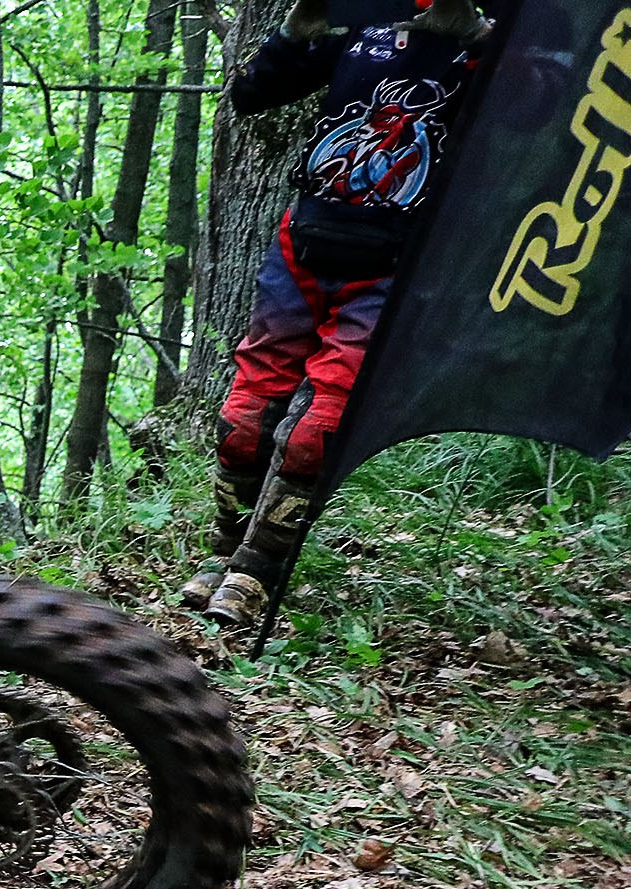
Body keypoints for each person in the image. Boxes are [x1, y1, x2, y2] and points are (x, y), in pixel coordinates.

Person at [185, 0, 497, 630]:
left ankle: (256, 571)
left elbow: (538, 118)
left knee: (315, 430)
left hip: (389, 266)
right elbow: (252, 96)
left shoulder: (490, 44)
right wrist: (293, 32)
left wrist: (477, 37)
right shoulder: (363, 23)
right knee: (242, 421)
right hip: (302, 246)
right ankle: (222, 554)